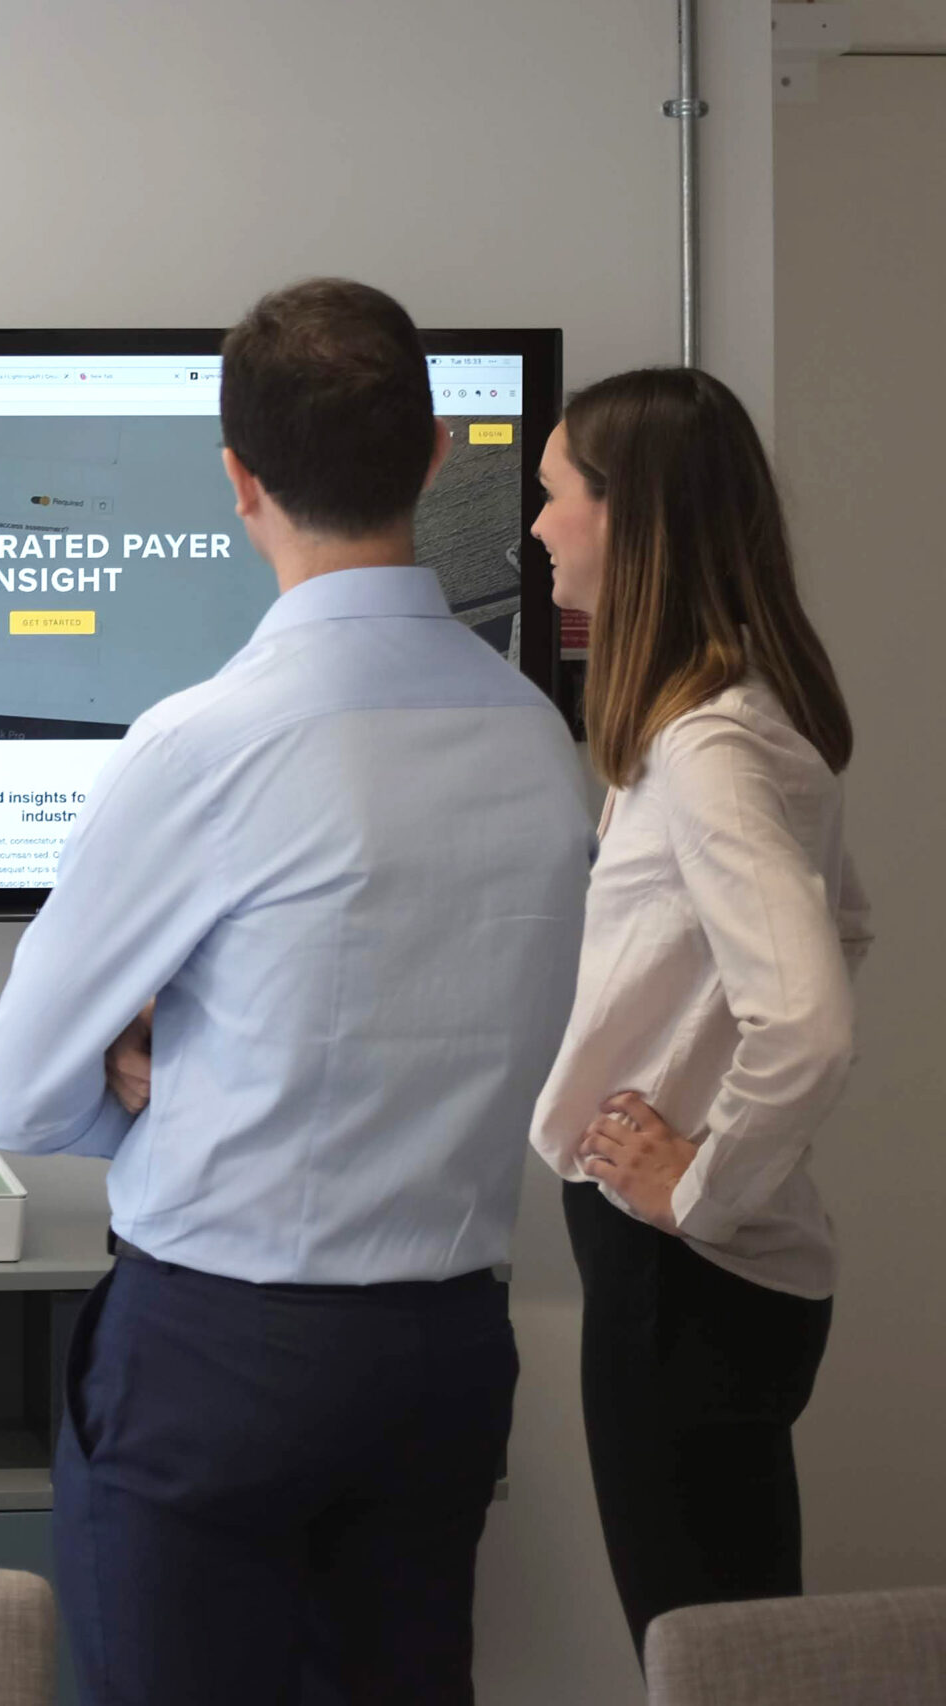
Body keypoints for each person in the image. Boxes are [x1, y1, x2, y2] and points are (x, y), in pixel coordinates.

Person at [0, 279, 593, 1704]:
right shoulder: (532, 738)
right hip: (444, 1356)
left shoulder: (203, 741)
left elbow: (16, 1091)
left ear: (239, 483)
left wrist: (162, 1088)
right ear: (439, 457)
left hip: (219, 1356)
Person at [526, 367, 867, 1658]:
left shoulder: (707, 749)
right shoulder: (740, 718)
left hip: (686, 1269)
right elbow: (847, 926)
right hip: (719, 1274)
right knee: (735, 1645)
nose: (540, 527)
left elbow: (811, 1014)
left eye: (558, 496)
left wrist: (701, 1178)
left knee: (701, 1653)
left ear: (632, 518)